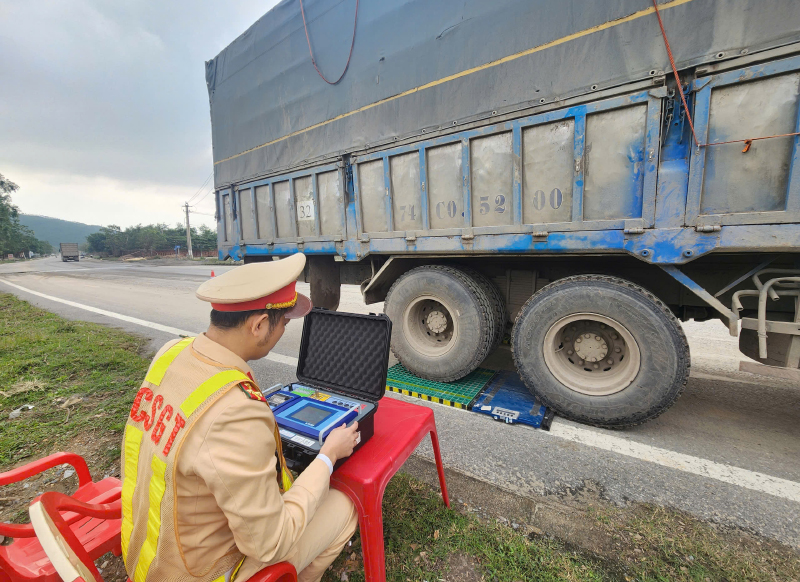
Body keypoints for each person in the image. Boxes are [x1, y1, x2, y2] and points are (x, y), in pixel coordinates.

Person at [120, 252, 359, 582]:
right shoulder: (237, 412)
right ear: (259, 325)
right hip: (207, 573)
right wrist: (328, 456)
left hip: (150, 555)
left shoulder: (170, 354)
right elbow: (270, 544)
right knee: (344, 508)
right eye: (284, 323)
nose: (283, 330)